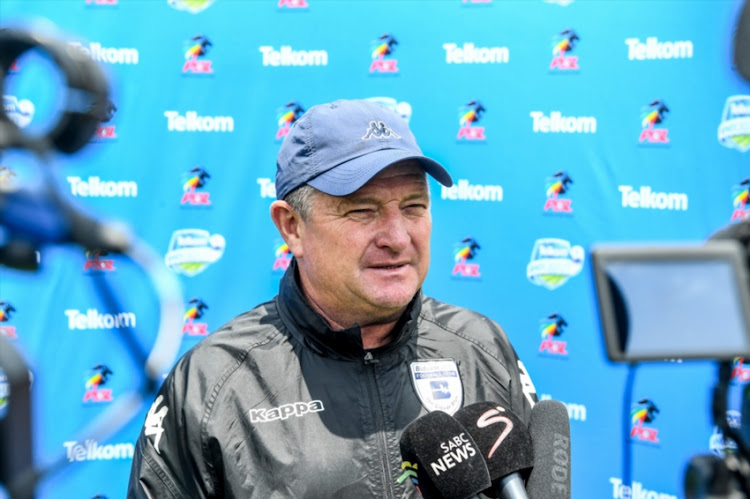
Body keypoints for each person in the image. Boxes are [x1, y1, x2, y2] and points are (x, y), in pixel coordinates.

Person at [127, 99, 538, 498]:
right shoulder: (213, 384)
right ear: (292, 227)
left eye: (414, 207)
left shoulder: (482, 347)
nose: (397, 238)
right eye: (363, 211)